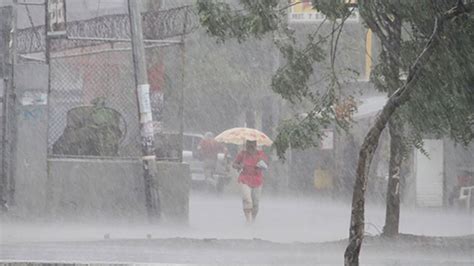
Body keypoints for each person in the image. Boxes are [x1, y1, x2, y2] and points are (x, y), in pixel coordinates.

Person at [233, 140, 269, 223]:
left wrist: (261, 164)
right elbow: (234, 164)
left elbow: (266, 165)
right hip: (245, 179)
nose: (250, 146)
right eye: (248, 144)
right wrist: (239, 165)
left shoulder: (260, 154)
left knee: (255, 203)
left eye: (252, 144)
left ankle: (253, 220)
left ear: (255, 145)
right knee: (247, 200)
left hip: (257, 180)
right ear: (246, 145)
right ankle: (248, 220)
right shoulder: (242, 154)